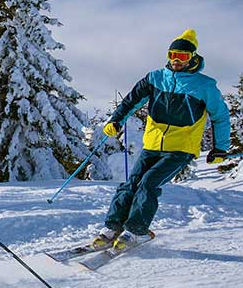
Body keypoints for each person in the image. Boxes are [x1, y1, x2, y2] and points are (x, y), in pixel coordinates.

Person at [94, 29, 230, 250]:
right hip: (152, 144)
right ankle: (111, 228)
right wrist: (116, 121)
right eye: (173, 55)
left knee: (148, 183)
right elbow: (131, 101)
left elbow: (220, 117)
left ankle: (136, 231)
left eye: (183, 56)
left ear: (193, 58)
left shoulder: (204, 86)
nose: (176, 60)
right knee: (131, 184)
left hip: (180, 149)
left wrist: (220, 148)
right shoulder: (155, 78)